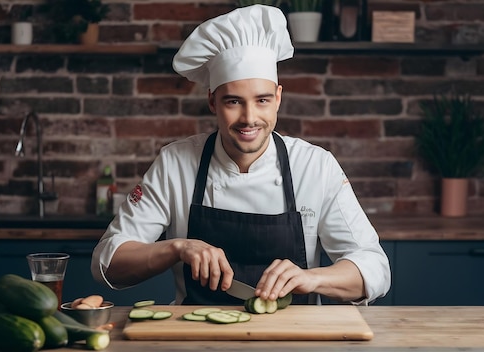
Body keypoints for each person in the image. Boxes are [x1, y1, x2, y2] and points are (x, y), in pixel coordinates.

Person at [91, 5, 390, 306]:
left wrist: (313, 278)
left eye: (262, 100)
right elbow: (108, 262)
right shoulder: (175, 164)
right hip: (195, 338)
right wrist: (177, 248)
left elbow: (375, 267)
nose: (249, 118)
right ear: (212, 101)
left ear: (278, 99)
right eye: (233, 101)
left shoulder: (315, 167)